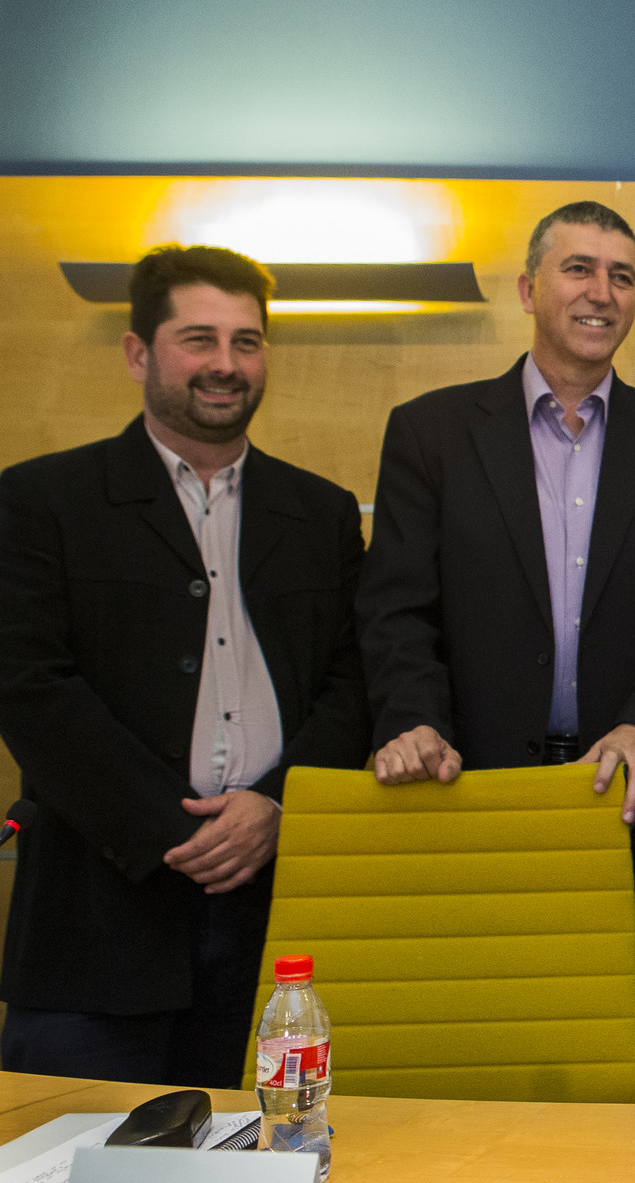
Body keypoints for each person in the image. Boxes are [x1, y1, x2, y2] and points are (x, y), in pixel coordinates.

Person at [357, 201, 635, 1070]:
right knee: (471, 1071)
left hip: (628, 812)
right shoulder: (431, 432)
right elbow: (394, 607)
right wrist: (415, 720)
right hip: (467, 805)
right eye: (579, 269)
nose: (602, 292)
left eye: (622, 275)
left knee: (613, 1072)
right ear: (529, 289)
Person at [0, 245, 368, 1084]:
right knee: (82, 1160)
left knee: (274, 1152)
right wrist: (180, 830)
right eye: (198, 338)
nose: (225, 365)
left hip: (276, 915)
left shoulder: (319, 511)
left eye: (246, 342)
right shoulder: (41, 501)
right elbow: (28, 687)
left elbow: (355, 679)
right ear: (139, 353)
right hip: (97, 923)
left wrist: (277, 805)